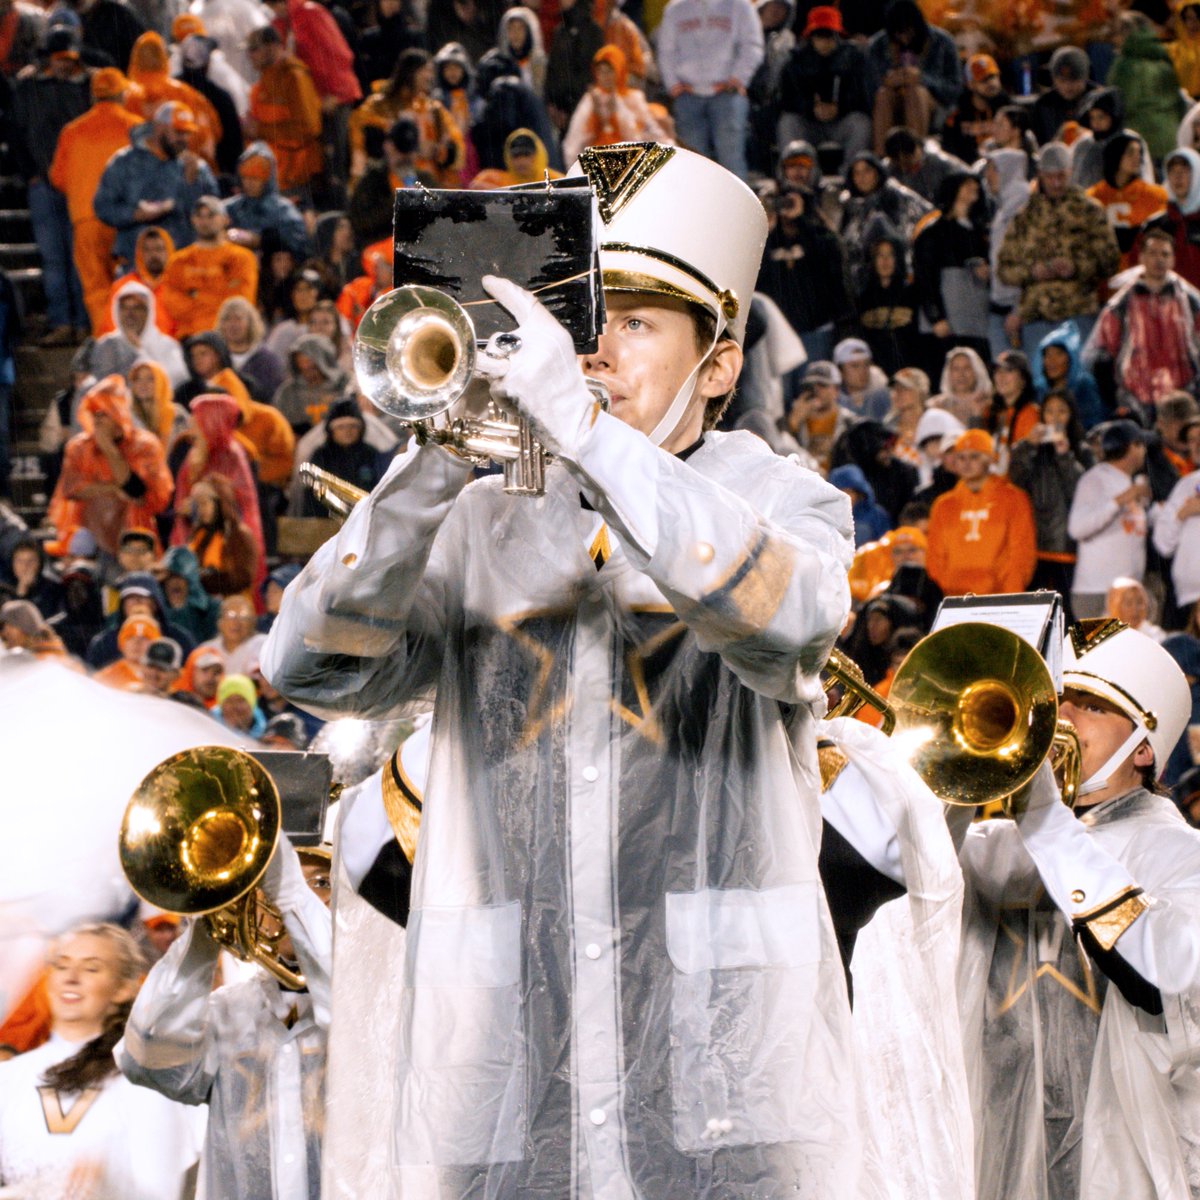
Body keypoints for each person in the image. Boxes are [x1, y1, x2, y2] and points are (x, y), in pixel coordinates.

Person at [262, 143, 867, 1196]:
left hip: (723, 1083)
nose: (595, 353)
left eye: (636, 322)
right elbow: (308, 665)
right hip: (509, 1069)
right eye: (585, 322)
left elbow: (794, 623)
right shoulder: (476, 519)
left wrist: (588, 436)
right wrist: (429, 467)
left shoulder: (782, 498)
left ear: (718, 364)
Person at [956, 625, 1200, 1200]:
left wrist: (1044, 818)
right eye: (1058, 699)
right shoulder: (999, 844)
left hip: (1121, 1166)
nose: (1062, 714)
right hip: (995, 1154)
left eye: (1091, 705)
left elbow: (1164, 976)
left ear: (1144, 748)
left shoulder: (1182, 851)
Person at [116, 834, 331, 1200]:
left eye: (323, 883)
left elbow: (351, 1004)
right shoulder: (228, 1011)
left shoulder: (377, 999)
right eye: (272, 886)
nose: (295, 897)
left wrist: (292, 890)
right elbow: (148, 1060)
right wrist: (204, 931)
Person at [0, 923, 199, 1198]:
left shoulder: (144, 1080)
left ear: (123, 990)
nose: (71, 977)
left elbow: (164, 1191)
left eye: (91, 968)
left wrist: (112, 1187)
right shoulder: (8, 1078)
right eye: (61, 965)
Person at [997, 141, 1120, 367]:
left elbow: (1110, 260)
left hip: (1079, 311)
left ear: (1071, 172)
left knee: (1080, 384)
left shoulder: (1090, 211)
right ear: (1040, 175)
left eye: (1061, 176)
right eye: (1049, 177)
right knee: (1040, 385)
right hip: (1036, 316)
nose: (1055, 183)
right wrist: (1032, 272)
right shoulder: (1025, 216)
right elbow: (1004, 269)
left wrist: (1076, 267)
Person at [9, 24, 91, 346]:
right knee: (54, 259)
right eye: (59, 58)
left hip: (79, 186)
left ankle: (84, 323)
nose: (64, 64)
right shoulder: (28, 88)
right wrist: (28, 171)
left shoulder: (87, 87)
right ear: (48, 57)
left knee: (79, 257)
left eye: (69, 58)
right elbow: (16, 133)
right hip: (43, 185)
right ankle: (61, 321)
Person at [47, 67, 142, 334]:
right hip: (127, 220)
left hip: (86, 219)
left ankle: (107, 343)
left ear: (93, 96)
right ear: (122, 94)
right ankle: (135, 343)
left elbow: (57, 178)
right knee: (131, 284)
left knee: (96, 289)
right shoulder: (135, 126)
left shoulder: (72, 130)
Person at [45, 375, 173, 563]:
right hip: (87, 539)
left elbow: (137, 492)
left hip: (132, 539)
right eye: (93, 412)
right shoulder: (79, 446)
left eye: (102, 412)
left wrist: (109, 450)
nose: (97, 420)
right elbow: (71, 489)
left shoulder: (145, 445)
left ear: (118, 412)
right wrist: (113, 489)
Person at [1086, 226, 1200, 423]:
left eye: (1165, 254)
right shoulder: (1120, 306)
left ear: (1173, 259)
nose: (1159, 259)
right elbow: (1100, 356)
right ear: (1141, 257)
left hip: (1183, 397)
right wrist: (1114, 399)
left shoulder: (1190, 301)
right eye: (1153, 253)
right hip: (1136, 400)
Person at [93, 101, 219, 271]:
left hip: (183, 263)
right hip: (134, 261)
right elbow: (102, 206)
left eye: (187, 133)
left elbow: (212, 215)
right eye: (178, 132)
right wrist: (135, 214)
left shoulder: (195, 167)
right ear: (159, 128)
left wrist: (190, 184)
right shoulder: (124, 162)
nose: (183, 139)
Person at [656, 0, 762, 181]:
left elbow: (752, 46)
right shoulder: (675, 9)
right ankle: (697, 208)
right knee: (693, 163)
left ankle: (735, 208)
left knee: (731, 159)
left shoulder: (740, 6)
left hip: (727, 95)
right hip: (687, 95)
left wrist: (737, 78)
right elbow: (666, 50)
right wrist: (673, 85)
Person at [925, 428, 1037, 597]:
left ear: (989, 459)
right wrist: (950, 591)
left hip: (1000, 597)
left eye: (974, 456)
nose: (966, 463)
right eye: (961, 457)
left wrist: (1010, 596)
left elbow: (1021, 553)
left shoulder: (1013, 498)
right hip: (955, 599)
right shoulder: (943, 505)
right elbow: (934, 558)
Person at [1008, 390, 1089, 603]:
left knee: (1067, 615)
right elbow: (1014, 482)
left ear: (1071, 415)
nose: (1054, 418)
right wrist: (1027, 446)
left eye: (1062, 411)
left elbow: (1082, 494)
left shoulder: (1082, 450)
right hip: (1034, 546)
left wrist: (1065, 456)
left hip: (1067, 548)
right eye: (1049, 411)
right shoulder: (1030, 450)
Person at [1068, 419, 1151, 618]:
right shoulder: (1095, 478)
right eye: (1141, 445)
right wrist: (1118, 501)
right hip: (1097, 592)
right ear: (1132, 447)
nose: (1144, 452)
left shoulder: (1127, 481)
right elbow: (1077, 528)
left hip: (1125, 593)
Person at [348, 46, 462, 185]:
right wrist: (410, 148)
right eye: (424, 70)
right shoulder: (379, 106)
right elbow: (366, 144)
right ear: (409, 72)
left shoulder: (434, 109)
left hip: (429, 186)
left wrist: (439, 151)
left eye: (430, 71)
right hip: (388, 187)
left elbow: (454, 146)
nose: (429, 76)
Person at [776, 5, 871, 162]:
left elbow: (863, 97)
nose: (824, 42)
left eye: (829, 36)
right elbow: (787, 100)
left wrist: (839, 108)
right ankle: (794, 174)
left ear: (838, 36)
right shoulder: (796, 62)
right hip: (808, 123)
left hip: (841, 122)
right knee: (788, 122)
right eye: (819, 36)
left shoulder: (854, 58)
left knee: (861, 123)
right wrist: (811, 109)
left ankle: (853, 174)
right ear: (810, 37)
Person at [864, 0, 959, 156]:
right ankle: (881, 158)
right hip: (889, 102)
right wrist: (887, 81)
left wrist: (922, 79)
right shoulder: (877, 45)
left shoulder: (943, 42)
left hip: (932, 105)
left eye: (908, 32)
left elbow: (954, 89)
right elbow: (867, 93)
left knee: (914, 92)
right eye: (898, 34)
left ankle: (916, 156)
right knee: (883, 95)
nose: (904, 39)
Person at [158, 196, 258, 339]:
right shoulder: (177, 260)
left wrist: (195, 295)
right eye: (199, 216)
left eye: (211, 215)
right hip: (188, 337)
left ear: (225, 219)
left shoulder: (242, 258)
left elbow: (240, 303)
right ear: (193, 220)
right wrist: (217, 295)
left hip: (229, 337)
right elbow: (170, 303)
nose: (204, 221)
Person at [244, 26, 322, 197]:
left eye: (254, 49)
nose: (249, 55)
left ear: (272, 47)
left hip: (295, 179)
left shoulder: (294, 78)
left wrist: (260, 130)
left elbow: (310, 129)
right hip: (270, 178)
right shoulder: (261, 83)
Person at [561, 44, 665, 164]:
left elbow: (643, 134)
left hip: (630, 160)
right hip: (597, 162)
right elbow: (574, 139)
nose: (605, 77)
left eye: (609, 71)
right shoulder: (590, 99)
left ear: (619, 70)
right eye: (601, 72)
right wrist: (596, 116)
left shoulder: (634, 98)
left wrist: (617, 113)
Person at [1085, 131, 1167, 271]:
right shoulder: (1092, 196)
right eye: (1130, 152)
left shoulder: (1155, 195)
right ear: (1115, 155)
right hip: (1104, 272)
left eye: (1138, 153)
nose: (1137, 158)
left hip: (1140, 270)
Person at [225, 143, 311, 260]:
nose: (249, 183)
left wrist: (260, 240)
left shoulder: (284, 210)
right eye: (245, 177)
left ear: (268, 179)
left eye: (255, 178)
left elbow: (298, 244)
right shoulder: (229, 208)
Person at [1030, 44, 1096, 146]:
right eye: (1062, 81)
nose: (1067, 86)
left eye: (1074, 80)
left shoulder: (1098, 100)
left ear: (1085, 77)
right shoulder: (1043, 105)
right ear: (1053, 79)